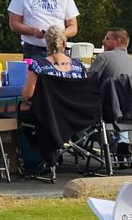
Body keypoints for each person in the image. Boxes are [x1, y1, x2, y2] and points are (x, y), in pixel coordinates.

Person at [17, 26, 89, 179]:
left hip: (49, 117)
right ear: (64, 44)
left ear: (47, 44)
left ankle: (33, 161)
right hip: (75, 115)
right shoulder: (79, 66)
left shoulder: (38, 66)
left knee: (22, 113)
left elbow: (28, 94)